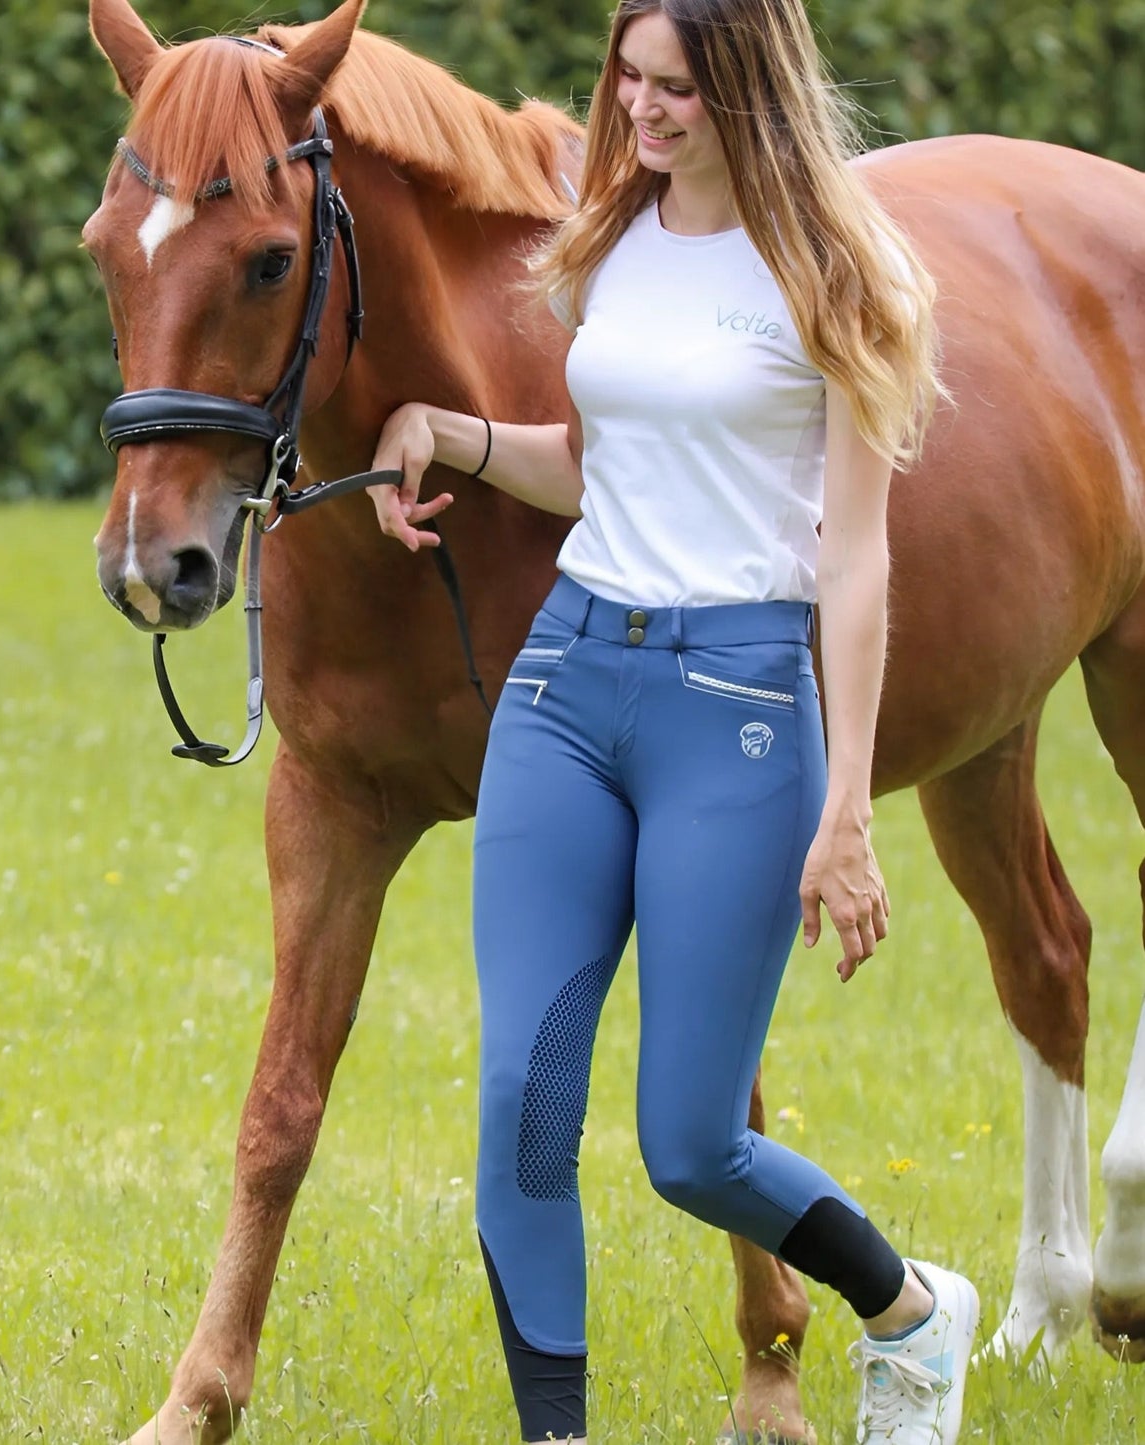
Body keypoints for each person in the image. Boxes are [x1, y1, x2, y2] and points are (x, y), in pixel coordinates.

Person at [365, 0, 979, 1441]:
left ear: (748, 95)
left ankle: (905, 1308)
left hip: (741, 711)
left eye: (678, 90)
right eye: (628, 81)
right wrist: (446, 431)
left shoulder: (836, 274)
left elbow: (852, 557)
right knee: (520, 1103)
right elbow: (596, 467)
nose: (643, 112)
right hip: (567, 687)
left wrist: (847, 813)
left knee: (689, 1144)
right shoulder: (608, 240)